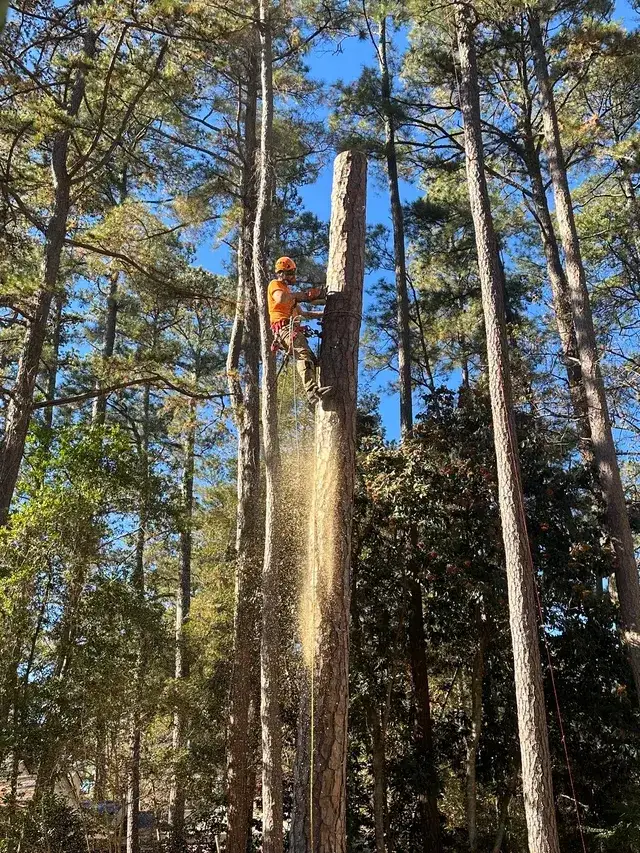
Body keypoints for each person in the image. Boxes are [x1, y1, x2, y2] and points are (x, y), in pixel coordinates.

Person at [267, 256, 331, 405]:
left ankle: (317, 392)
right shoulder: (275, 285)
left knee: (313, 361)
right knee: (303, 355)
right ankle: (312, 392)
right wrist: (306, 295)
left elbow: (304, 314)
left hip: (291, 329)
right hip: (284, 329)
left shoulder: (290, 295)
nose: (292, 276)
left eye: (293, 273)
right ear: (281, 273)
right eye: (289, 273)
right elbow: (281, 298)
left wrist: (326, 313)